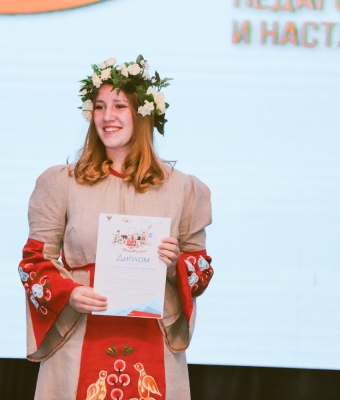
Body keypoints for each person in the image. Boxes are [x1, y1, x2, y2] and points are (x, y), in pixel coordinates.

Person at [18, 55, 214, 400]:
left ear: (143, 114)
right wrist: (69, 292)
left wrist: (174, 266)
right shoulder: (61, 183)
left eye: (120, 106)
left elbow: (200, 271)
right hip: (79, 337)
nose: (107, 116)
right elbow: (33, 263)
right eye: (99, 106)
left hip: (152, 342)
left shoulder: (183, 189)